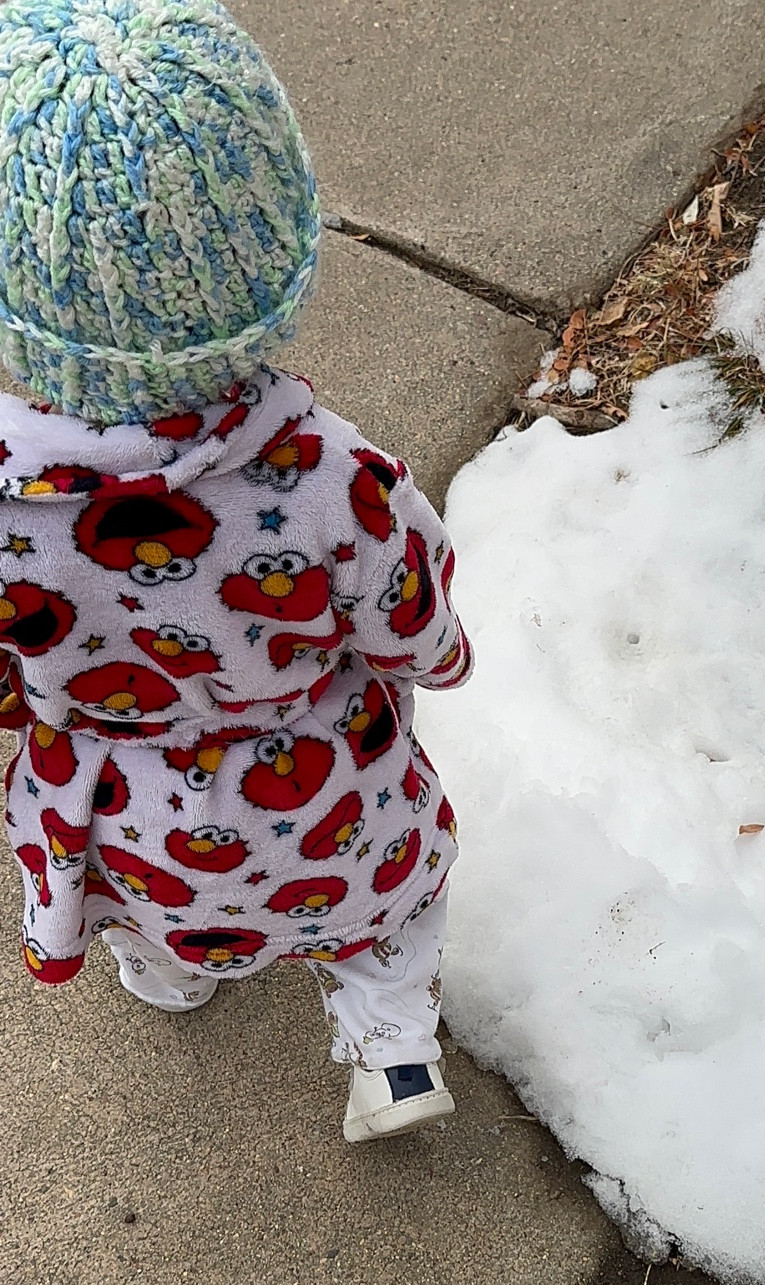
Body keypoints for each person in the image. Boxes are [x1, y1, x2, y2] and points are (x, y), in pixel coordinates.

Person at [0, 0, 473, 1140]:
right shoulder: (330, 475)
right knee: (389, 911)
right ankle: (396, 1046)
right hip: (326, 794)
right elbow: (410, 616)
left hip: (127, 816)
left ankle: (173, 974)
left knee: (155, 919)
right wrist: (444, 657)